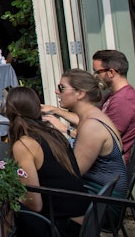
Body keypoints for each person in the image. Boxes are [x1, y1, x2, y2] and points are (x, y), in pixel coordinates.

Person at [6, 86, 87, 237]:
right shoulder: (54, 134)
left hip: (61, 228)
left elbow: (34, 204)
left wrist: (10, 193)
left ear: (8, 111)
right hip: (83, 221)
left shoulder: (24, 145)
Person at [42, 49, 135, 165]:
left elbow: (99, 136)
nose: (95, 77)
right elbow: (89, 121)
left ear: (111, 72)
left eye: (97, 72)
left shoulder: (123, 101)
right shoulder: (113, 96)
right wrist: (56, 110)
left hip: (106, 166)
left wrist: (66, 130)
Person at [45, 69, 128, 201]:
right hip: (102, 194)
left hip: (102, 201)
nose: (56, 91)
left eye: (62, 88)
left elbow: (74, 173)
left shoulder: (91, 126)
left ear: (80, 93)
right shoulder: (93, 115)